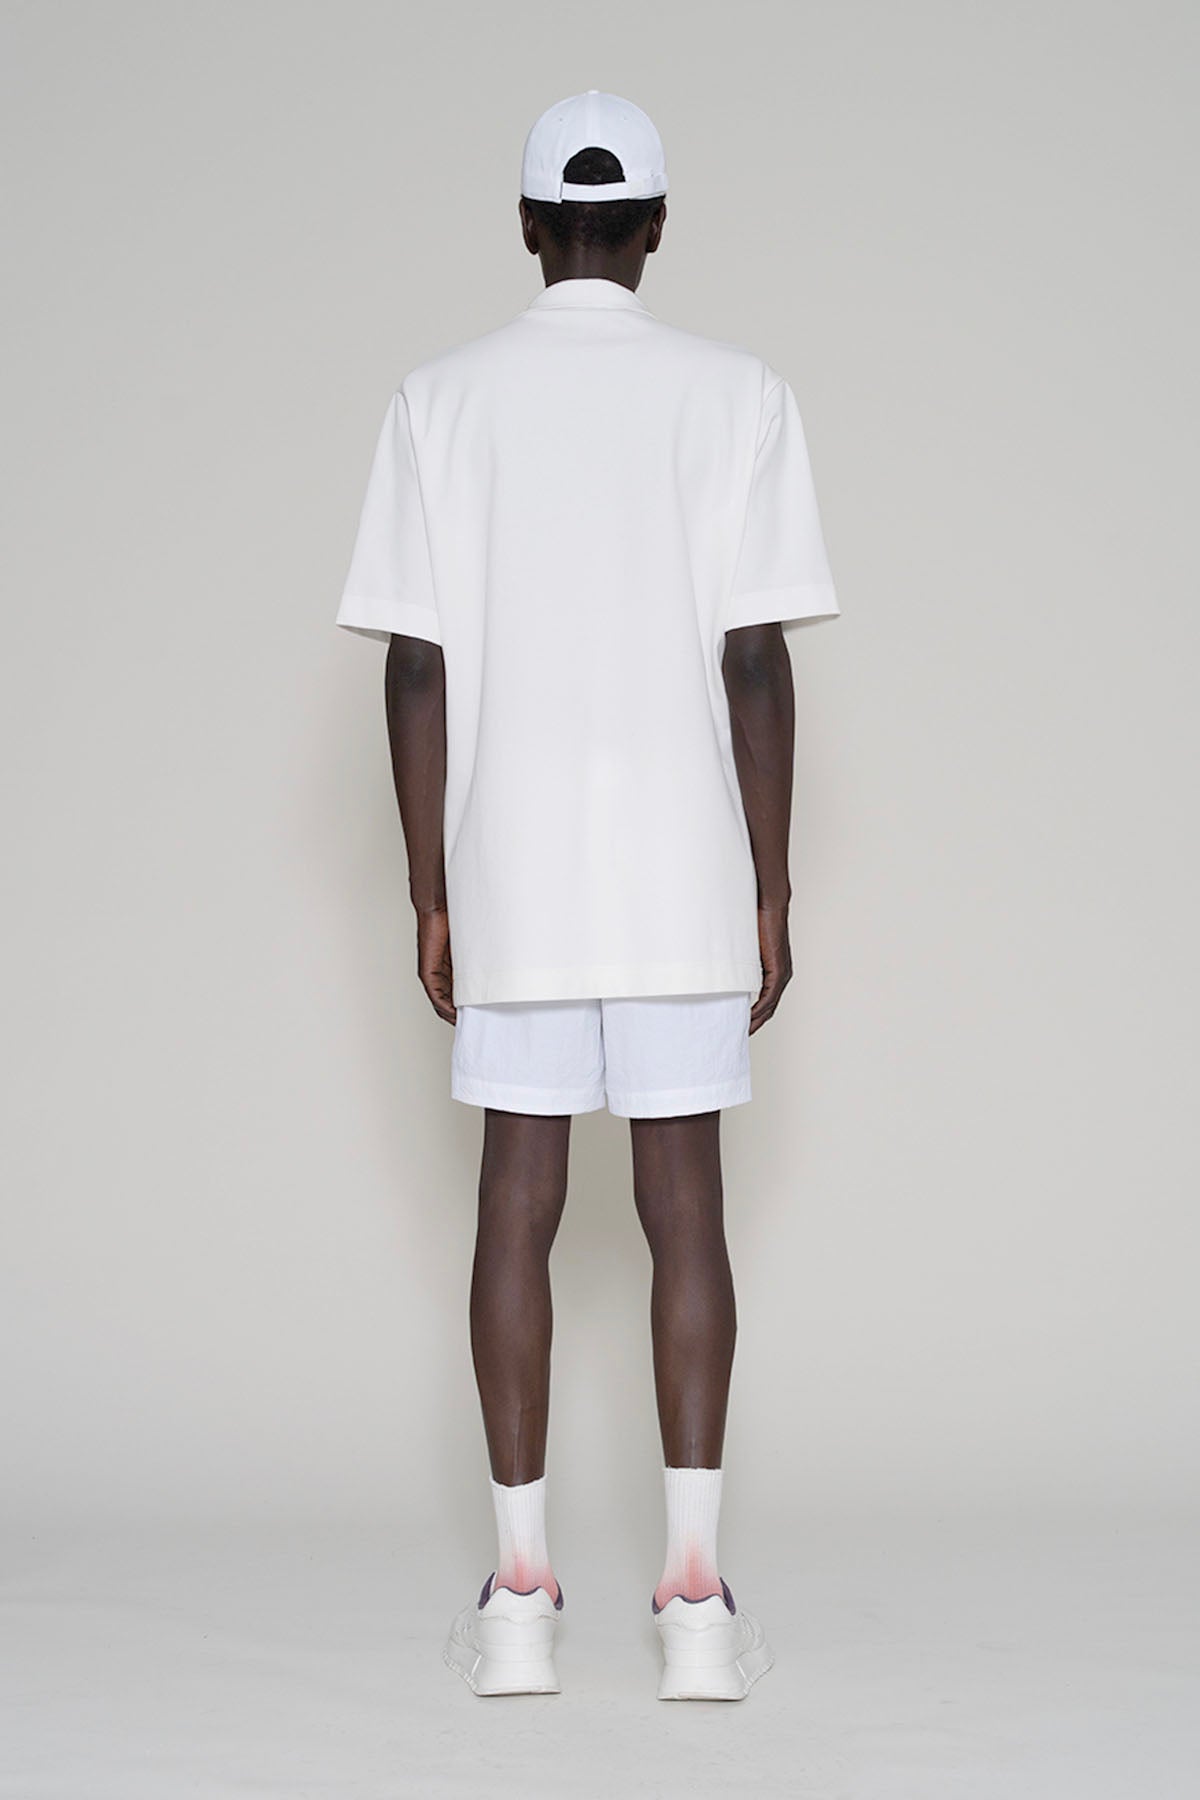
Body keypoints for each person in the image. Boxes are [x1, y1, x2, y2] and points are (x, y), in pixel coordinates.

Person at [335, 89, 840, 1701]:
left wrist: (429, 888)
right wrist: (770, 885)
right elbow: (753, 660)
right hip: (684, 859)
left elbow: (416, 667)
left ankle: (518, 1598)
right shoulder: (740, 395)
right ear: (660, 226)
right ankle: (694, 1609)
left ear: (527, 225)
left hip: (516, 864)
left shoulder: (439, 401)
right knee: (685, 1210)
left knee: (516, 1206)